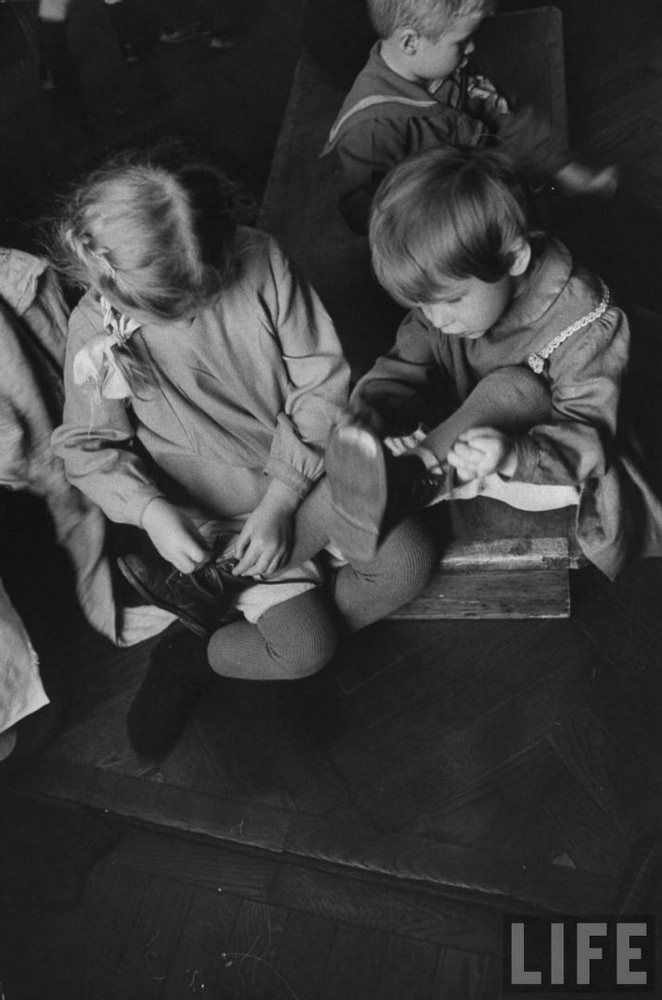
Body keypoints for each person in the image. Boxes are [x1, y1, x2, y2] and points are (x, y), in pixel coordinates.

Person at [50, 149, 437, 760]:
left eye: (202, 298)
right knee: (304, 649)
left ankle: (251, 628)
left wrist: (283, 499)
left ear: (223, 247)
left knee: (407, 562)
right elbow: (88, 448)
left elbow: (322, 381)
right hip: (223, 527)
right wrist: (150, 511)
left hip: (305, 481)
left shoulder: (261, 258)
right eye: (173, 311)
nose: (195, 318)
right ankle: (195, 657)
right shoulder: (94, 332)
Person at [326, 146, 662, 574]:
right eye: (421, 304)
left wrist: (511, 455)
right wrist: (371, 408)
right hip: (466, 435)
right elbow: (403, 365)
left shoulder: (588, 322)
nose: (435, 319)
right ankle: (365, 505)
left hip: (554, 462)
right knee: (378, 418)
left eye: (450, 301)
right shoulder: (446, 299)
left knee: (514, 388)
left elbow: (587, 441)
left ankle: (413, 483)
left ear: (516, 258)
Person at [322, 0, 617, 234]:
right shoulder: (372, 128)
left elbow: (504, 115)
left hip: (486, 186)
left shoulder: (446, 68)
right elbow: (366, 217)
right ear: (410, 43)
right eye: (462, 41)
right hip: (445, 230)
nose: (472, 48)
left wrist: (561, 167)